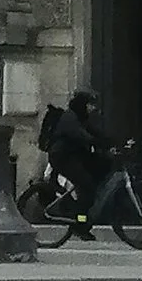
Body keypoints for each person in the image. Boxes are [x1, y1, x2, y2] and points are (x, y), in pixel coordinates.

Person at [40, 89, 111, 232]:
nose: (93, 108)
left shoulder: (81, 117)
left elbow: (95, 132)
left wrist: (112, 141)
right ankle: (80, 223)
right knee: (86, 186)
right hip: (62, 158)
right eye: (91, 105)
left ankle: (81, 214)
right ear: (83, 104)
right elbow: (82, 135)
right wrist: (97, 143)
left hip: (73, 156)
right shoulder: (70, 118)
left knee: (97, 169)